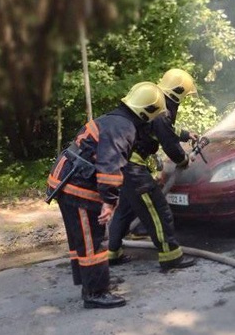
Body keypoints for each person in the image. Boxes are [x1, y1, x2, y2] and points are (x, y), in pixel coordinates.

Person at [45, 82, 167, 309]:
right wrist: (109, 202)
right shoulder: (124, 127)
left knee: (83, 239)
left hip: (69, 182)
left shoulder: (115, 119)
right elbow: (110, 166)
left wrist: (110, 197)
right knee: (93, 240)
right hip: (78, 187)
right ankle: (95, 293)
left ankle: (91, 281)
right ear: (146, 112)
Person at [107, 68, 199, 271]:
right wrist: (183, 160)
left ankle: (112, 253)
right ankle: (170, 257)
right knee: (158, 210)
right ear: (179, 90)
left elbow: (159, 128)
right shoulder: (164, 108)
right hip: (133, 170)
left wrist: (185, 134)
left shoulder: (155, 99)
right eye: (185, 94)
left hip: (121, 165)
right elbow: (167, 140)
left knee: (125, 210)